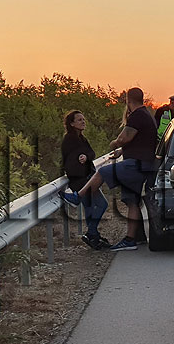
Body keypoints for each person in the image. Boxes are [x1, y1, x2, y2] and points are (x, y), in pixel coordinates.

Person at [66, 87, 158, 251]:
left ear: (128, 100)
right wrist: (122, 151)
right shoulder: (147, 115)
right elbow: (141, 142)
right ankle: (133, 239)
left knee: (102, 172)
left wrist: (115, 144)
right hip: (144, 164)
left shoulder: (137, 116)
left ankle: (78, 196)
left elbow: (124, 138)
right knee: (132, 201)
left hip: (136, 165)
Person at [61, 111, 111, 249]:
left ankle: (93, 235)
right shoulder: (69, 140)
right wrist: (82, 158)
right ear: (71, 123)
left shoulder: (81, 138)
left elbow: (91, 153)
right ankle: (92, 233)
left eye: (83, 119)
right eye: (79, 120)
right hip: (80, 179)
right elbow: (70, 161)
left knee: (90, 207)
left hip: (87, 177)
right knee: (101, 204)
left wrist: (86, 156)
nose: (83, 122)